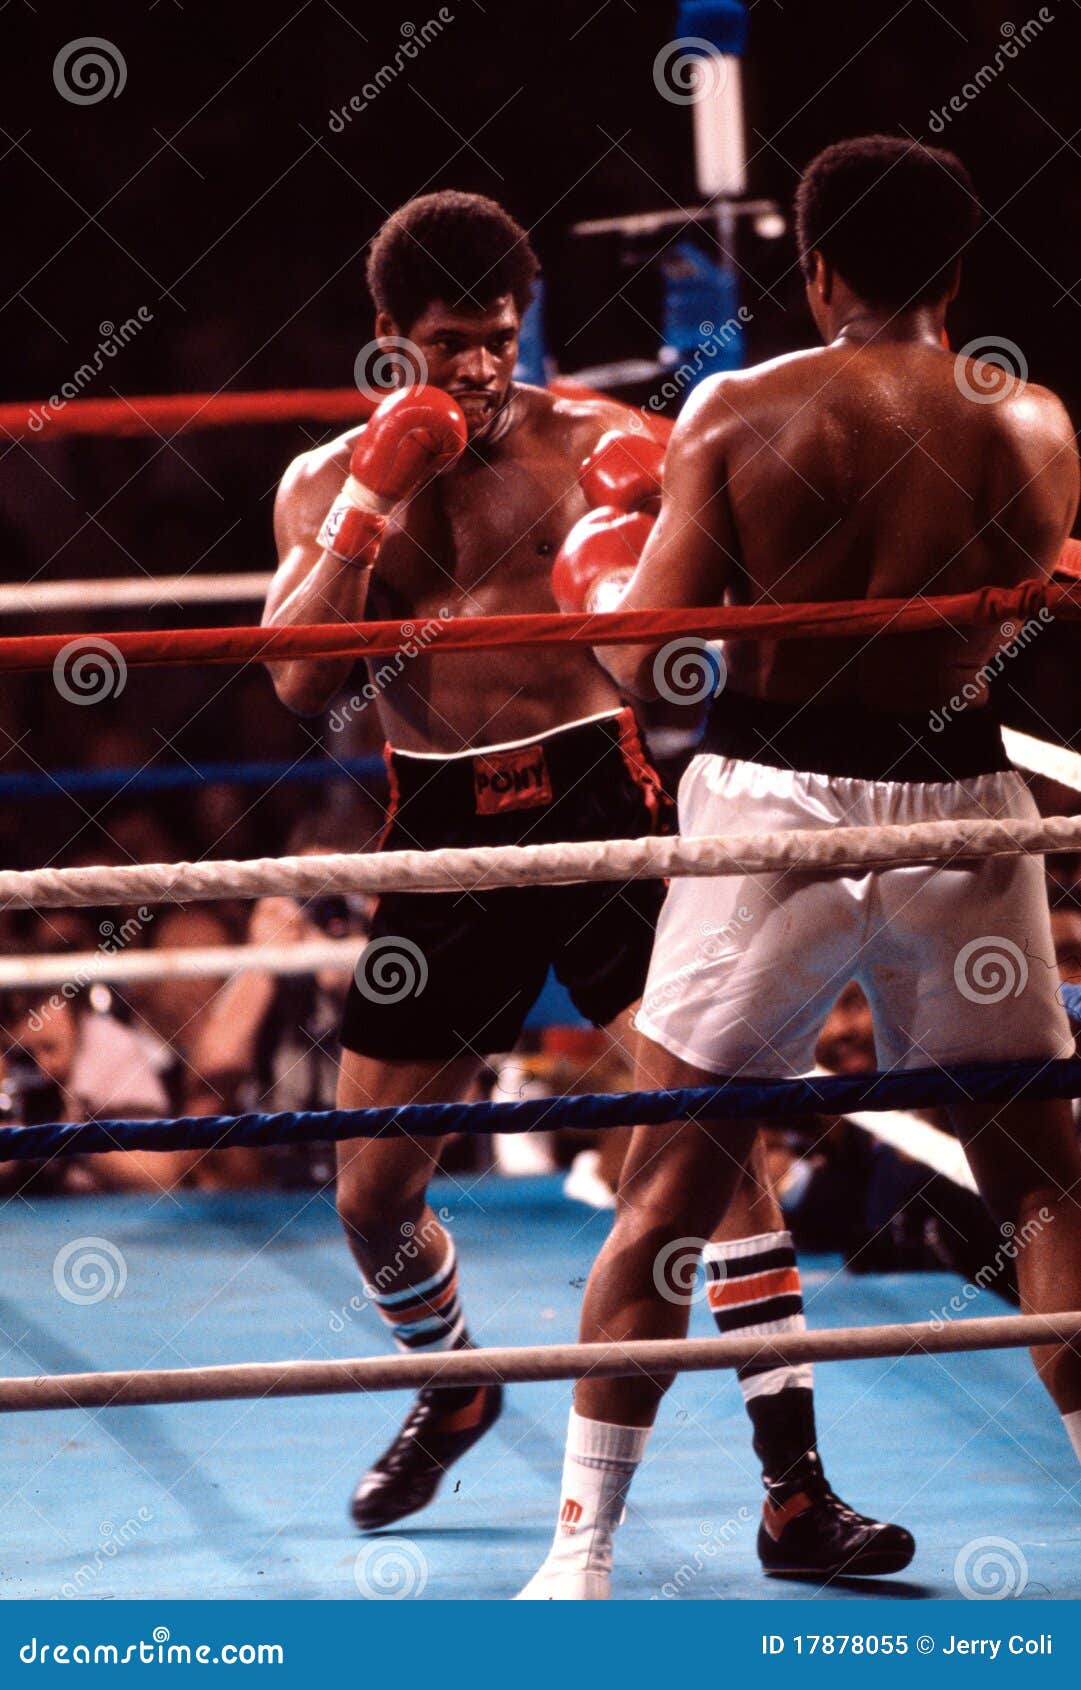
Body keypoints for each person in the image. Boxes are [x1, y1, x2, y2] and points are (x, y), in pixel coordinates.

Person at [263, 188, 908, 1570]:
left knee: (705, 1145)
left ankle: (794, 1486)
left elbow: (686, 664)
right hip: (439, 835)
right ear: (389, 334)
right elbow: (298, 675)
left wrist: (623, 588)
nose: (479, 371)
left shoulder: (609, 447)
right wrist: (376, 497)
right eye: (446, 345)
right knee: (370, 1195)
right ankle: (454, 1381)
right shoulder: (323, 482)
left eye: (497, 337)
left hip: (600, 803)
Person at [520, 135, 1081, 1599]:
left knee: (671, 1183)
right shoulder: (1029, 424)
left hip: (773, 808)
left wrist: (595, 569)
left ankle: (576, 1558)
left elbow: (644, 663)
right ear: (956, 274)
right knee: (1041, 1190)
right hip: (966, 802)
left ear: (817, 266)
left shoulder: (739, 409)